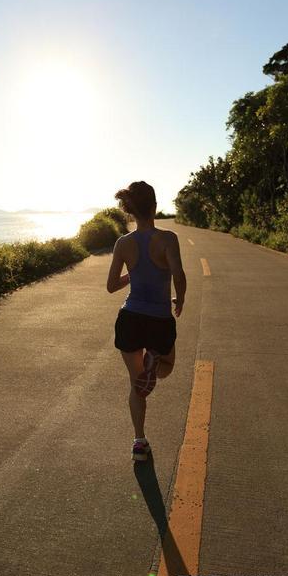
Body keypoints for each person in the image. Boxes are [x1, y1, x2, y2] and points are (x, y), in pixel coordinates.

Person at [106, 181, 187, 461]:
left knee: (136, 382)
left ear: (130, 211)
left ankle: (139, 442)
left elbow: (112, 286)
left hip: (129, 318)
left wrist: (134, 272)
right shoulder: (168, 238)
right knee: (165, 369)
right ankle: (155, 358)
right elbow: (178, 273)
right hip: (159, 319)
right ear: (154, 207)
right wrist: (182, 298)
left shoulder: (123, 243)